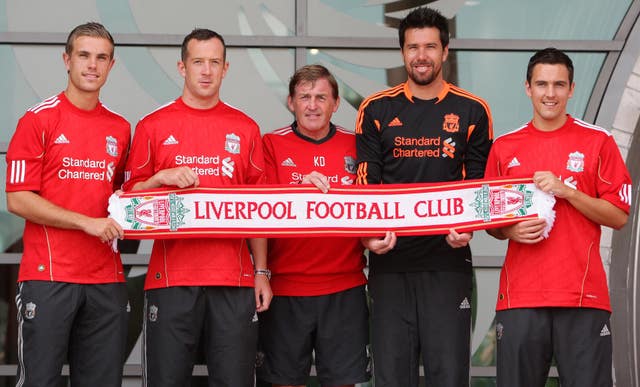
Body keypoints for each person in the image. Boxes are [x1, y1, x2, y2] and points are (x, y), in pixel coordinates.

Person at [122, 28, 271, 387]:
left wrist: (262, 272)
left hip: (233, 282)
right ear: (182, 67)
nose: (206, 70)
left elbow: (260, 209)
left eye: (214, 62)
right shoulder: (153, 125)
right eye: (198, 62)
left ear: (225, 69)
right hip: (171, 280)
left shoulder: (245, 127)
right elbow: (127, 204)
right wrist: (160, 178)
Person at [355, 6, 493, 387]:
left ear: (445, 52)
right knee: (392, 378)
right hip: (389, 266)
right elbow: (368, 183)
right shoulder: (377, 108)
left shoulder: (472, 110)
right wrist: (368, 236)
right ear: (402, 53)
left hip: (447, 265)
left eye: (430, 46)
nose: (421, 56)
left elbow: (478, 184)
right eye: (413, 47)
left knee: (448, 377)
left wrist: (469, 227)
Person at [484, 48, 632, 387]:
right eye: (541, 84)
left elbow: (619, 216)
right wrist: (510, 229)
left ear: (571, 89)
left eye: (558, 85)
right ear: (527, 88)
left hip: (583, 297)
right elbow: (491, 222)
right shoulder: (505, 147)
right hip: (520, 297)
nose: (550, 94)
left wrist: (570, 192)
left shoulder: (598, 141)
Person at [5, 22, 130, 387]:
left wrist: (158, 181)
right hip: (49, 277)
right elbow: (17, 199)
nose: (92, 65)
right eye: (84, 55)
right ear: (67, 60)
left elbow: (125, 196)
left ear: (111, 65)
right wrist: (85, 222)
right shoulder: (37, 120)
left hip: (106, 280)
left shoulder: (120, 127)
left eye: (101, 57)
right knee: (39, 381)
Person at [257, 64, 370, 387]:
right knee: (282, 382)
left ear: (336, 104)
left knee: (344, 382)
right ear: (290, 102)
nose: (312, 105)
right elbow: (258, 215)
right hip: (286, 289)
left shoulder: (357, 144)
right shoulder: (271, 144)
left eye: (321, 97)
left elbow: (375, 203)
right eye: (304, 97)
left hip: (345, 289)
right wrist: (261, 272)